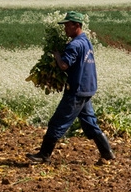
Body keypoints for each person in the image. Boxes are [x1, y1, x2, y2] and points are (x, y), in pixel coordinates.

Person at [26, 11, 115, 163]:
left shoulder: (74, 44)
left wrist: (57, 55)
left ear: (77, 26)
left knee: (57, 122)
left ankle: (44, 155)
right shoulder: (86, 41)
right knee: (90, 122)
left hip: (76, 90)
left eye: (68, 25)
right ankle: (107, 153)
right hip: (87, 88)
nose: (65, 29)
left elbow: (64, 65)